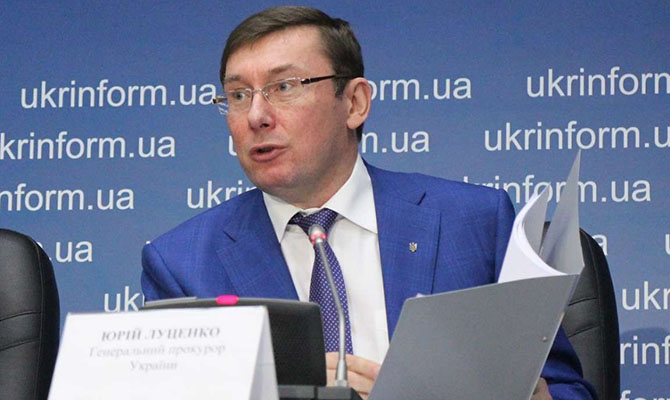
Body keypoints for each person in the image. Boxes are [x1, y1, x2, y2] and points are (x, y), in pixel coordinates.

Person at [141, 6, 595, 399]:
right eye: (239, 95)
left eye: (284, 87)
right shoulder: (183, 264)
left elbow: (565, 388)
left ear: (355, 103)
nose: (256, 115)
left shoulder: (473, 222)